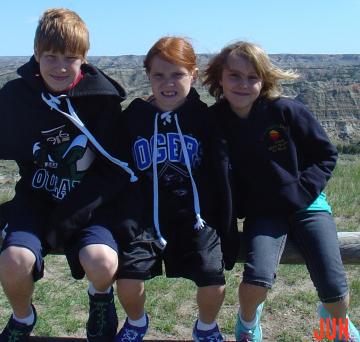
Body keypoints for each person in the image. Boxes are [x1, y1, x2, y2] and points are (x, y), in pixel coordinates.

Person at [0, 8, 136, 342]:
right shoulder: (19, 100)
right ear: (36, 54)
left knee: (102, 262)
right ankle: (22, 316)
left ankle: (100, 297)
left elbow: (112, 169)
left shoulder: (101, 102)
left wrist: (67, 221)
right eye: (51, 56)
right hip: (37, 199)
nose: (60, 66)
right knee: (15, 261)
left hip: (86, 205)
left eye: (70, 58)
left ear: (84, 58)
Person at [202, 40, 360, 342]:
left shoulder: (286, 111)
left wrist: (301, 192)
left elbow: (326, 155)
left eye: (253, 77)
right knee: (257, 279)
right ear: (220, 78)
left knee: (334, 285)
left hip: (309, 206)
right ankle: (248, 322)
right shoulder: (216, 121)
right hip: (264, 214)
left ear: (265, 80)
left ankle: (335, 324)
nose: (243, 84)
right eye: (234, 75)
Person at [111, 37, 239, 342]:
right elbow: (117, 165)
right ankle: (136, 322)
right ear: (148, 76)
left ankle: (206, 327)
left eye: (177, 75)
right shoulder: (134, 118)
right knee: (128, 282)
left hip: (195, 216)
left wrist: (223, 218)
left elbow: (220, 170)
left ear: (193, 75)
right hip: (146, 217)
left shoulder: (206, 118)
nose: (168, 83)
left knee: (213, 280)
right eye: (159, 75)